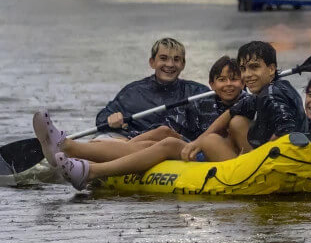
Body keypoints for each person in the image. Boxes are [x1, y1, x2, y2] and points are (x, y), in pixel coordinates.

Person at [34, 57, 245, 189]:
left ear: (243, 82)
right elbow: (175, 127)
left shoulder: (246, 102)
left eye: (234, 80)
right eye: (222, 80)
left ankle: (79, 157)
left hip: (216, 157)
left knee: (167, 145)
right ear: (212, 83)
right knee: (162, 132)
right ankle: (70, 149)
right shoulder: (205, 99)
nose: (228, 85)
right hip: (197, 149)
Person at [180, 40, 308, 162]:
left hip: (288, 160)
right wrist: (198, 141)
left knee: (210, 141)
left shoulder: (272, 93)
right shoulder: (267, 91)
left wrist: (257, 158)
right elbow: (232, 112)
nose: (247, 74)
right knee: (237, 121)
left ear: (271, 69)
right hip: (277, 155)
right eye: (243, 69)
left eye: (254, 67)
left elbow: (286, 129)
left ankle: (241, 172)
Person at [95, 37, 209, 137]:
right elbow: (101, 118)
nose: (170, 64)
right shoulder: (133, 93)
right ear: (152, 62)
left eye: (176, 59)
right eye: (163, 58)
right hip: (136, 147)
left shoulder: (199, 92)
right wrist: (111, 119)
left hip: (180, 149)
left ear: (183, 64)